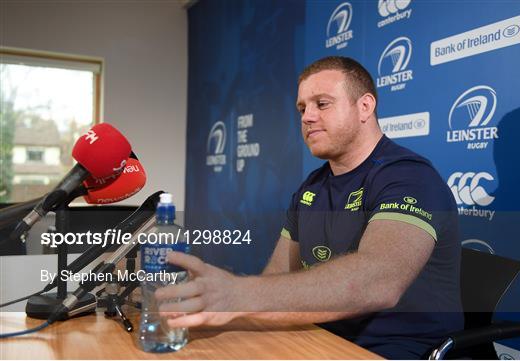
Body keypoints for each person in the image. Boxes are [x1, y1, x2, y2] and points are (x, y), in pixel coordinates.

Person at [155, 56, 464, 359]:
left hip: (395, 350)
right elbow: (277, 275)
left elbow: (379, 282)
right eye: (302, 107)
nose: (307, 116)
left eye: (322, 104)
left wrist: (238, 294)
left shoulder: (409, 176)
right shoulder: (311, 188)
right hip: (320, 338)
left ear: (365, 107)